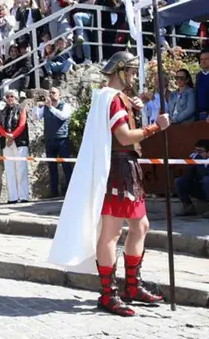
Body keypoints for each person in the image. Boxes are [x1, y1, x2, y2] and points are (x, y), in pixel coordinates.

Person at [49, 51, 169, 317]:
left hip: (128, 168)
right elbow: (125, 137)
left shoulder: (116, 98)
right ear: (122, 69)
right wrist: (155, 127)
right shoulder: (112, 99)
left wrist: (134, 105)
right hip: (117, 169)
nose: (135, 77)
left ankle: (132, 286)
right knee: (111, 234)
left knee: (141, 226)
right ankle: (108, 293)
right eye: (133, 71)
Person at [33, 87, 74, 198]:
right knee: (52, 166)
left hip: (62, 139)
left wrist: (51, 107)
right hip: (50, 140)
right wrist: (36, 105)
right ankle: (54, 191)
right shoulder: (46, 107)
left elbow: (63, 116)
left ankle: (70, 190)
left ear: (59, 94)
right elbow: (35, 117)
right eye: (50, 93)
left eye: (54, 93)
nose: (51, 95)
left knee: (66, 165)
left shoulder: (65, 106)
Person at [0, 90, 30, 203]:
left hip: (19, 142)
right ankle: (12, 197)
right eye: (7, 96)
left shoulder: (21, 109)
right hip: (7, 142)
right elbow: (0, 126)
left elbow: (22, 125)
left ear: (16, 98)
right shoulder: (3, 111)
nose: (9, 98)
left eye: (11, 96)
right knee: (9, 169)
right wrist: (6, 135)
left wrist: (13, 135)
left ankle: (23, 196)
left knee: (21, 168)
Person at [175, 139, 209, 217]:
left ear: (208, 153)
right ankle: (189, 208)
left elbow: (204, 174)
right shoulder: (196, 159)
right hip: (202, 191)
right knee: (179, 181)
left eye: (200, 152)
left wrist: (199, 161)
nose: (197, 154)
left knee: (206, 180)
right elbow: (187, 176)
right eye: (196, 151)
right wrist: (192, 164)